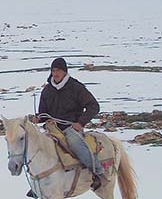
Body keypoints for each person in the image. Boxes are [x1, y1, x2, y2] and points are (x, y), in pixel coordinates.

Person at [34, 57, 107, 191]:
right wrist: (38, 118)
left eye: (58, 71)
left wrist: (80, 122)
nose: (55, 73)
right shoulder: (47, 90)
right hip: (53, 128)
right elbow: (43, 113)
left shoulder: (76, 88)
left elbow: (93, 106)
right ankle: (39, 181)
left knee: (75, 144)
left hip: (70, 127)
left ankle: (98, 173)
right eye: (53, 70)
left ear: (65, 72)